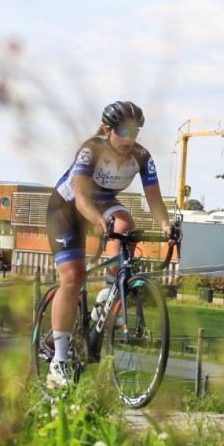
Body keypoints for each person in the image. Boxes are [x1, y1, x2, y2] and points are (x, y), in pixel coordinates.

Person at [45, 100, 176, 385]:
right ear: (108, 129)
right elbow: (80, 198)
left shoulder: (142, 157)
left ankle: (108, 293)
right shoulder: (91, 150)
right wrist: (95, 220)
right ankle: (60, 359)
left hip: (103, 202)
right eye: (124, 132)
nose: (130, 139)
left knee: (127, 226)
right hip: (66, 209)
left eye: (135, 132)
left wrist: (166, 225)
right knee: (73, 277)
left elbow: (154, 198)